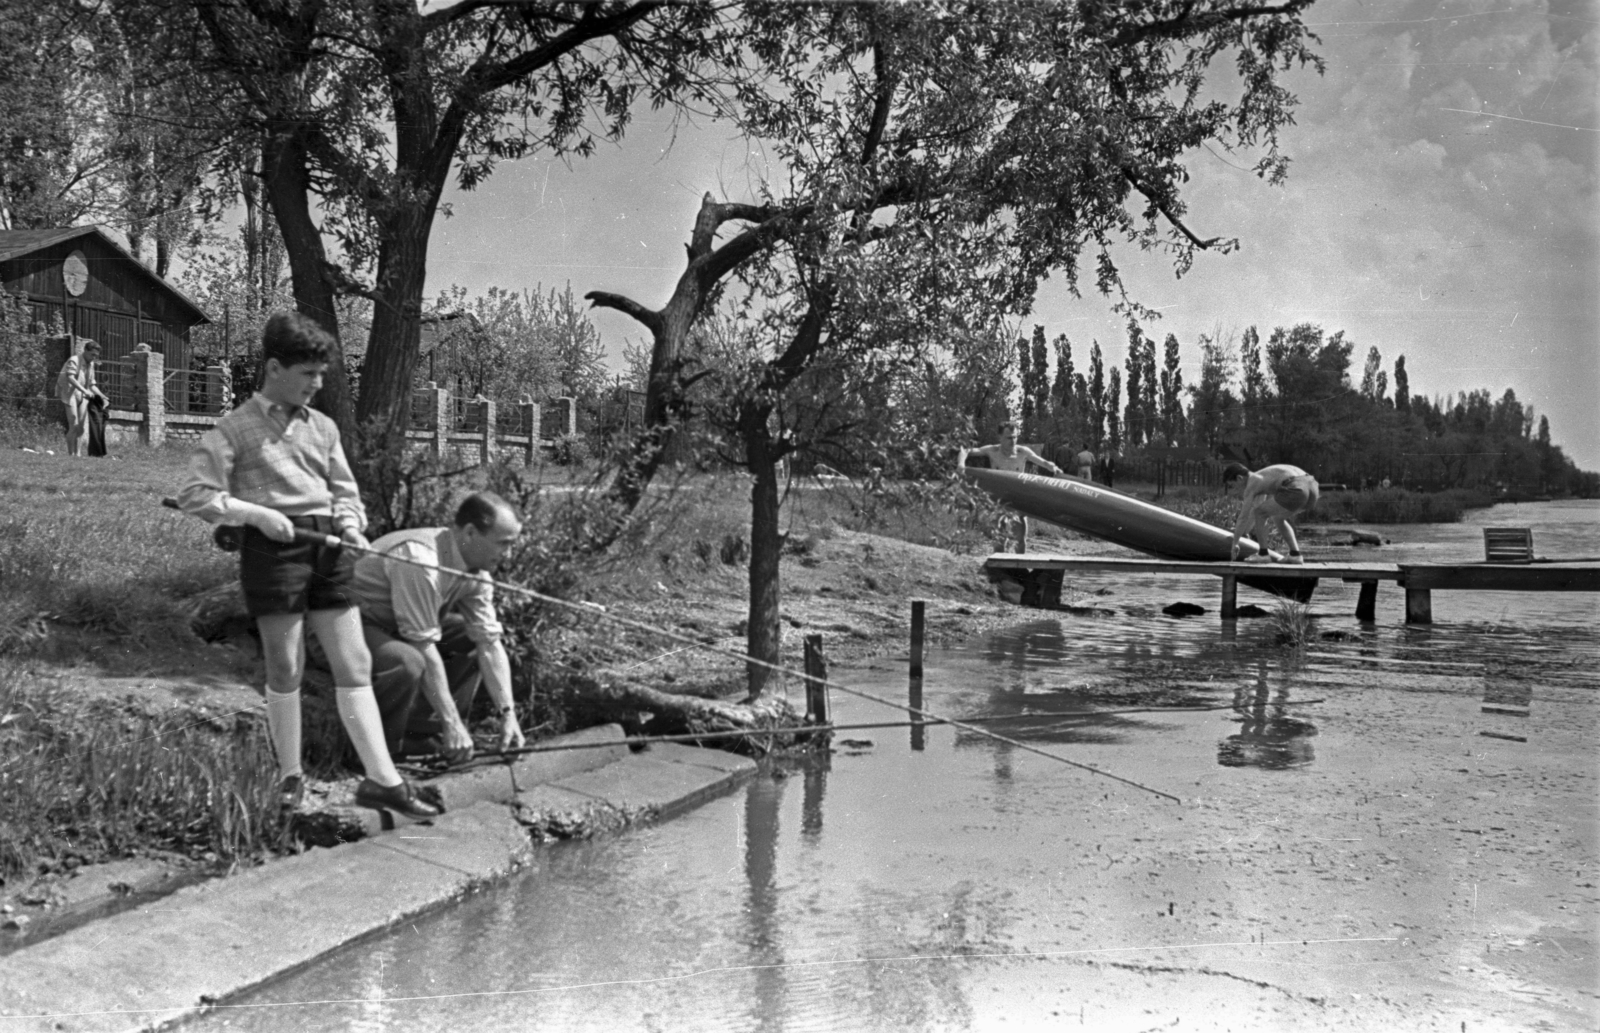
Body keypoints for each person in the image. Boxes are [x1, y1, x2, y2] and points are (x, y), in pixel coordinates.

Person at [175, 311, 439, 819]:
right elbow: (194, 494)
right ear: (275, 367)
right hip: (271, 551)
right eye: (308, 375)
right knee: (287, 665)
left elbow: (343, 489)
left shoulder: (323, 427)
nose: (318, 384)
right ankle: (290, 775)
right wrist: (257, 514)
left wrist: (353, 526)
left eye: (322, 374)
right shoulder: (234, 428)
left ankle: (381, 780)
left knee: (355, 662)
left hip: (327, 548)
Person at [350, 492, 526, 764]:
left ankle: (422, 733)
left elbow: (488, 643)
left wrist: (508, 714)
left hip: (397, 625)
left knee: (467, 638)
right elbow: (422, 644)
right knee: (406, 661)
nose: (509, 554)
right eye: (503, 544)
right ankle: (375, 752)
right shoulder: (420, 559)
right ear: (470, 532)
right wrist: (453, 721)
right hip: (349, 625)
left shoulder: (477, 572)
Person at [1223, 462, 1321, 565]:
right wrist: (1244, 533)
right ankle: (1295, 555)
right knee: (1276, 517)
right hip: (1312, 486)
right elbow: (1255, 513)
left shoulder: (1251, 484)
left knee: (1260, 513)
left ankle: (1263, 555)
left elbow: (1243, 517)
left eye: (1232, 486)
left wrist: (1235, 542)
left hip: (1296, 487)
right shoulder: (1262, 478)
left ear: (1239, 478)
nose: (1235, 490)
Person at [56, 338, 108, 457]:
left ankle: (78, 454)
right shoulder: (74, 360)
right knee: (73, 424)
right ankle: (71, 454)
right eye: (92, 354)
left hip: (83, 395)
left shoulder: (91, 364)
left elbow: (91, 384)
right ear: (85, 350)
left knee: (80, 427)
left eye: (96, 355)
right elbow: (70, 378)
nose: (94, 357)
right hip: (70, 394)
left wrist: (103, 396)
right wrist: (85, 390)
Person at [965, 421, 1064, 476]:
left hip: (1017, 493)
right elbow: (966, 451)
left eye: (1015, 437)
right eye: (1009, 438)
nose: (1013, 441)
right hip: (998, 493)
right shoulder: (992, 450)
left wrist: (1054, 468)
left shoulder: (1023, 452)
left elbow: (1044, 463)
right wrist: (961, 464)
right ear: (1000, 437)